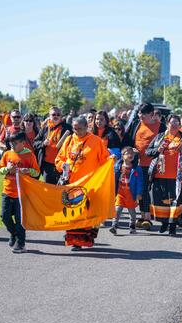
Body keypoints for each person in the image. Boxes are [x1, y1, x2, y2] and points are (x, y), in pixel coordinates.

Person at [55, 117, 110, 250]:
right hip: (72, 185)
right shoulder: (68, 140)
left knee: (87, 214)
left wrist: (111, 160)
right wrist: (64, 165)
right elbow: (58, 160)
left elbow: (105, 160)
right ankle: (76, 241)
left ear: (87, 127)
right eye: (75, 128)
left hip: (90, 185)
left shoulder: (96, 141)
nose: (77, 131)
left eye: (80, 128)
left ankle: (85, 238)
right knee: (74, 214)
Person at [146, 114, 182, 236]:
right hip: (160, 175)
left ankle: (172, 226)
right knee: (161, 201)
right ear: (167, 124)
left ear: (179, 125)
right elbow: (148, 152)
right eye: (171, 122)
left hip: (177, 177)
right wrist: (157, 150)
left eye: (176, 123)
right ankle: (164, 223)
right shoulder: (160, 137)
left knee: (175, 202)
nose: (174, 125)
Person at [124, 103, 166, 230]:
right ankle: (142, 216)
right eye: (139, 113)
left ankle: (148, 217)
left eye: (143, 113)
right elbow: (127, 142)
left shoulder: (161, 127)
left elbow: (165, 145)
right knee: (140, 190)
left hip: (154, 165)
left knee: (149, 191)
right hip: (138, 164)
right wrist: (131, 151)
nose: (139, 115)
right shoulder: (136, 124)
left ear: (152, 114)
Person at [0, 132, 40, 253]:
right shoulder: (7, 154)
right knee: (4, 217)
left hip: (22, 194)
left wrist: (28, 170)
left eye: (15, 143)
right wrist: (7, 169)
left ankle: (20, 244)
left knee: (19, 219)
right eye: (11, 143)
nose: (12, 145)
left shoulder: (29, 155)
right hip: (7, 191)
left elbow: (37, 172)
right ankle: (14, 234)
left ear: (23, 143)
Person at [34, 107, 72, 184]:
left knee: (61, 190)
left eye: (58, 114)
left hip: (62, 165)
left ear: (61, 116)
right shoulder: (45, 128)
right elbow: (35, 142)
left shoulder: (68, 128)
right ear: (49, 116)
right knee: (49, 189)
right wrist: (43, 143)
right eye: (53, 114)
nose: (56, 116)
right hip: (47, 166)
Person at [109, 147, 143, 235]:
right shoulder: (118, 166)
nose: (130, 155)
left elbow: (140, 181)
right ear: (122, 156)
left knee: (132, 212)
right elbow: (112, 177)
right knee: (117, 209)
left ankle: (132, 226)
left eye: (132, 153)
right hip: (120, 193)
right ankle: (114, 226)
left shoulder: (137, 168)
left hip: (131, 193)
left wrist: (139, 193)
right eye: (127, 153)